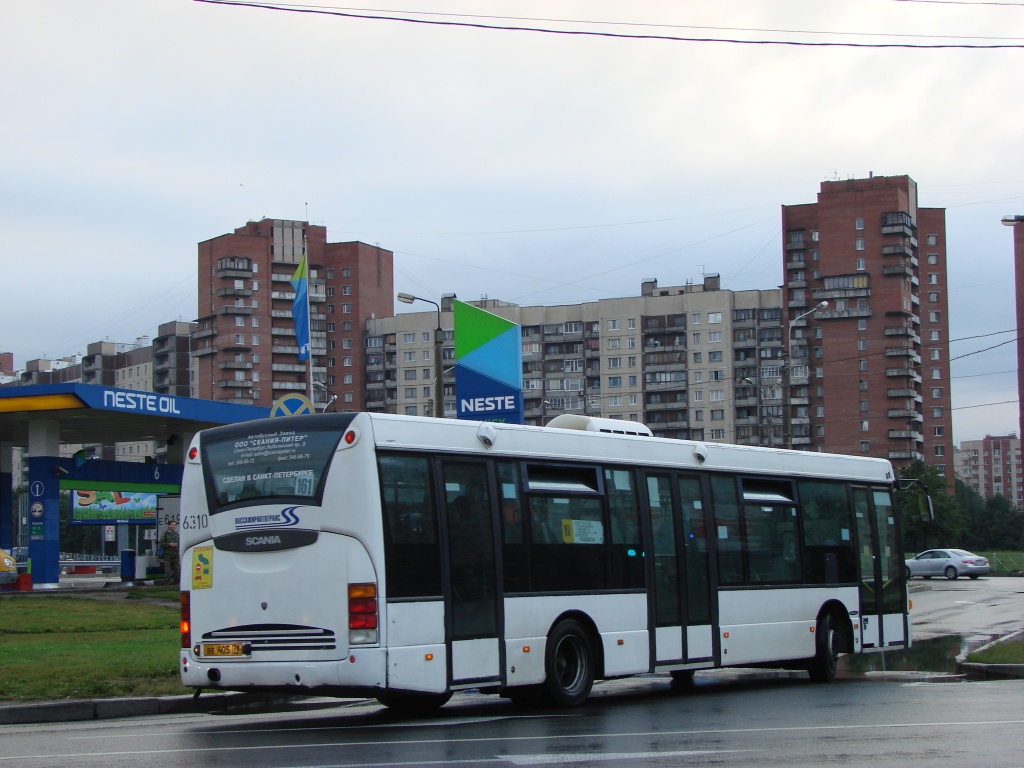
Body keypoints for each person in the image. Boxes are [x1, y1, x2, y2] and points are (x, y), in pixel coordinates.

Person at [159, 520, 180, 585]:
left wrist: (177, 545)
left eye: (174, 525)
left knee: (177, 570)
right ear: (169, 525)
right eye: (172, 525)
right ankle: (167, 584)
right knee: (168, 571)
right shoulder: (165, 534)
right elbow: (161, 543)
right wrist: (169, 544)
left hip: (176, 555)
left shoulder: (177, 534)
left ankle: (176, 583)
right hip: (167, 556)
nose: (173, 526)